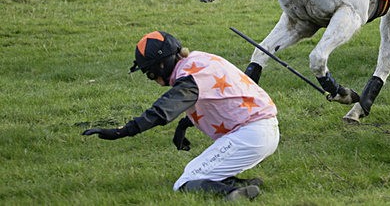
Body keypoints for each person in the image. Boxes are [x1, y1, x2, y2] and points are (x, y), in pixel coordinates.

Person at [82, 30, 278, 200]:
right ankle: (247, 184)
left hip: (251, 134)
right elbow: (216, 99)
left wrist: (123, 131)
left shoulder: (190, 78)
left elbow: (163, 109)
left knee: (186, 181)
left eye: (150, 73)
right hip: (260, 130)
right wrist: (183, 126)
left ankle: (231, 193)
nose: (154, 80)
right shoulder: (200, 60)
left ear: (162, 64)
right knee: (198, 170)